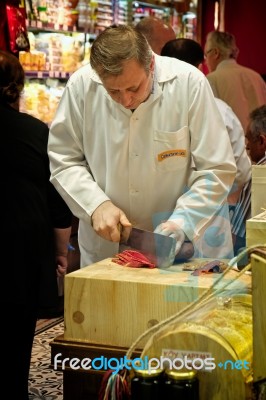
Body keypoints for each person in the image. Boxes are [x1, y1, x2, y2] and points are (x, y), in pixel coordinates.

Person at [48, 25, 237, 269]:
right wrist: (95, 204)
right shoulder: (81, 86)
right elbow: (64, 159)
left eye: (133, 88)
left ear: (151, 66)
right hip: (103, 249)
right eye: (113, 91)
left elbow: (216, 168)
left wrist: (182, 222)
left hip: (176, 248)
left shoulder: (189, 83)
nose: (125, 100)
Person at [0, 50, 72, 400]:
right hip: (21, 245)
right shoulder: (33, 130)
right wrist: (61, 252)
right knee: (16, 329)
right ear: (17, 87)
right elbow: (56, 197)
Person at [161, 38, 252, 205]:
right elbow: (242, 171)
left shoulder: (146, 109)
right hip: (214, 211)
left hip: (160, 217)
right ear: (200, 67)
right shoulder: (221, 110)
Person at [204, 30, 266, 131]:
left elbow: (212, 123)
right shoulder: (256, 76)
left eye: (206, 54)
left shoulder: (212, 79)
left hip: (231, 144)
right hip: (259, 143)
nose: (206, 61)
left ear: (216, 53)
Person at [231, 105, 266, 255]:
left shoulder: (259, 176)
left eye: (249, 139)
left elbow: (238, 237)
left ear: (261, 141)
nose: (246, 146)